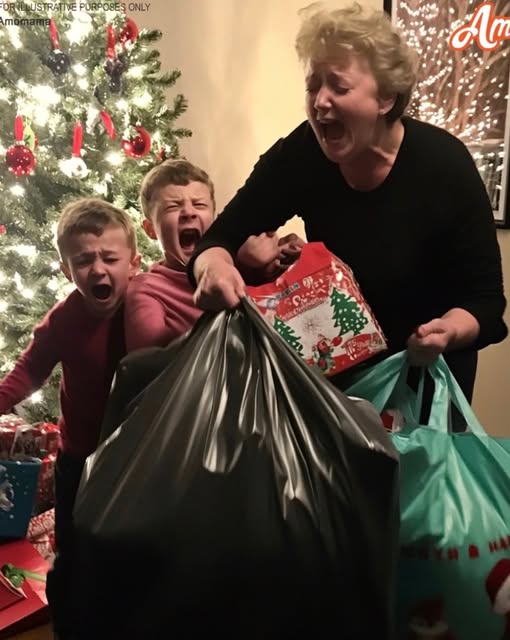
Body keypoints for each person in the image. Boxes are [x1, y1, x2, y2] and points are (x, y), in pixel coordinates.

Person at [188, 2, 507, 401]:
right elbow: (217, 240)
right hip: (338, 388)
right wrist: (212, 268)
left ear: (386, 98)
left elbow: (486, 303)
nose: (320, 101)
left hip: (427, 390)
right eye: (312, 85)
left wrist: (448, 331)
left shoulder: (445, 166)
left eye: (338, 86)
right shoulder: (301, 155)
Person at [0, 198, 141, 640]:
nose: (98, 269)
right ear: (66, 270)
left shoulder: (149, 301)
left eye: (110, 258)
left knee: (136, 549)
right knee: (73, 554)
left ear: (134, 262)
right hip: (80, 457)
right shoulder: (63, 319)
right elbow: (28, 369)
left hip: (143, 455)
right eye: (84, 261)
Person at [125, 159, 303, 352]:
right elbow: (149, 366)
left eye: (199, 204)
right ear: (150, 229)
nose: (188, 212)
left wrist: (287, 263)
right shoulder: (147, 289)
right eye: (173, 206)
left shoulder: (244, 258)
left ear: (217, 219)